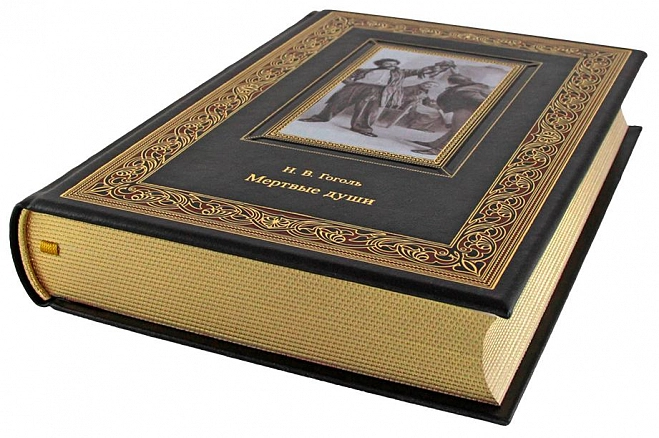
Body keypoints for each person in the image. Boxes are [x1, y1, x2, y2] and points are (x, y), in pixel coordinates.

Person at [300, 58, 448, 137]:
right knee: (338, 101)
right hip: (357, 87)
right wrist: (351, 83)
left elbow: (419, 70)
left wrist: (435, 68)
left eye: (394, 63)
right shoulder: (365, 70)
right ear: (382, 64)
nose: (391, 64)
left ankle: (362, 128)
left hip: (379, 90)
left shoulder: (401, 72)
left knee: (370, 109)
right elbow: (343, 75)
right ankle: (320, 118)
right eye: (388, 62)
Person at [411, 74, 491, 155]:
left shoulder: (468, 89)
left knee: (458, 130)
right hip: (463, 108)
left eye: (450, 83)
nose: (449, 85)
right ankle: (434, 144)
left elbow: (480, 100)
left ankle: (439, 150)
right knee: (454, 129)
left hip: (468, 109)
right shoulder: (470, 86)